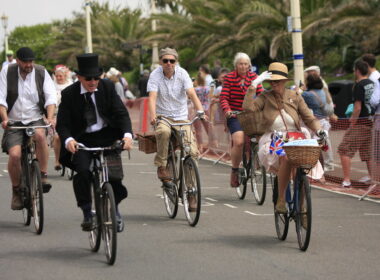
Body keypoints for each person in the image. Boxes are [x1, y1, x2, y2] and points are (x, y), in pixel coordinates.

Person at [56, 53, 133, 232]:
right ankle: (87, 212)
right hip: (81, 140)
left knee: (115, 178)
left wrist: (127, 136)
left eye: (96, 78)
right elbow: (63, 124)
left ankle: (115, 210)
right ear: (79, 77)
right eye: (88, 79)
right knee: (82, 172)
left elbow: (121, 114)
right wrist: (68, 140)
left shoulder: (107, 87)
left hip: (107, 137)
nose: (92, 82)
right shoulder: (69, 94)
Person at [242, 62, 323, 213]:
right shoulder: (264, 97)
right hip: (274, 138)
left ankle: (302, 206)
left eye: (277, 81)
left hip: (297, 136)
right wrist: (253, 85)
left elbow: (309, 118)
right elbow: (247, 110)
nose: (274, 84)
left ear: (285, 82)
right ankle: (281, 199)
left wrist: (319, 131)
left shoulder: (295, 96)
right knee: (286, 157)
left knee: (307, 161)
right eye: (271, 81)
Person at [147, 47, 205, 211]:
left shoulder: (183, 74)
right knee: (163, 132)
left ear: (176, 62)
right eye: (165, 61)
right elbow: (152, 97)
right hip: (163, 117)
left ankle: (191, 193)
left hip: (181, 118)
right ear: (161, 62)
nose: (169, 64)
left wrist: (200, 111)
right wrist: (153, 116)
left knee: (192, 153)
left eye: (172, 61)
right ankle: (162, 165)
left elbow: (192, 94)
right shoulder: (155, 75)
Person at [0, 47, 57, 210]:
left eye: (31, 61)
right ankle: (16, 190)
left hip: (35, 118)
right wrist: (5, 119)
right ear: (17, 60)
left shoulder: (41, 72)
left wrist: (51, 118)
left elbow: (50, 97)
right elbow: (1, 99)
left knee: (40, 136)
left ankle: (43, 175)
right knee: (15, 154)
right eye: (25, 61)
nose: (29, 64)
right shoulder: (7, 72)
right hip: (14, 120)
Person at [219, 52, 264, 188]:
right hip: (235, 114)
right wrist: (227, 110)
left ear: (249, 65)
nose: (243, 66)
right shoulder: (229, 78)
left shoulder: (254, 77)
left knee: (260, 137)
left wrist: (263, 107)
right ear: (236, 65)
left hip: (251, 115)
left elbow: (261, 94)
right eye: (240, 64)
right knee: (238, 141)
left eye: (245, 64)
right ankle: (234, 169)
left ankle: (254, 159)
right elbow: (224, 97)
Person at [338, 59, 374, 187]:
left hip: (360, 122)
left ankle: (346, 180)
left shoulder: (359, 85)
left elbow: (357, 107)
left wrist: (352, 122)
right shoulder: (372, 83)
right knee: (367, 152)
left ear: (357, 71)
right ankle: (372, 177)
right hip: (371, 121)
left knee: (344, 149)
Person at [302, 72, 335, 172]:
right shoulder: (322, 91)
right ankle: (328, 164)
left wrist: (300, 88)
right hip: (324, 120)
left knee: (312, 144)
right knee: (325, 143)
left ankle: (312, 166)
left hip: (314, 122)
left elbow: (296, 96)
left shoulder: (307, 94)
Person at [52, 65, 72, 170]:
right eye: (57, 76)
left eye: (61, 76)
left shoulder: (71, 86)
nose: (59, 78)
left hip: (69, 115)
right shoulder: (51, 87)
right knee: (57, 137)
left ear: (65, 76)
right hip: (56, 115)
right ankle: (57, 160)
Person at [364, 54, 380, 180]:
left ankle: (377, 180)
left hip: (377, 117)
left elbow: (374, 100)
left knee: (377, 151)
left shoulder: (375, 79)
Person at [193, 70, 216, 151]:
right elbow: (211, 96)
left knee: (198, 129)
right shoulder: (207, 88)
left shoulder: (195, 89)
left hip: (197, 110)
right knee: (208, 127)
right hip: (206, 108)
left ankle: (200, 145)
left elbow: (190, 97)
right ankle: (214, 142)